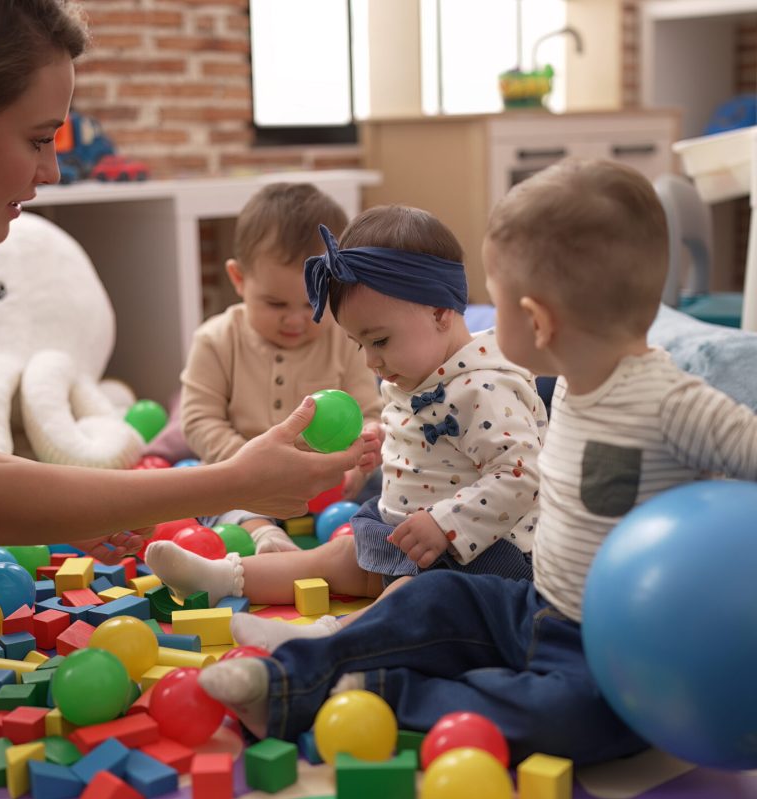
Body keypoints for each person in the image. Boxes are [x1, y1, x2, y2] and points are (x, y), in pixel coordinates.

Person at [194, 158, 757, 767]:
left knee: (575, 721)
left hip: (615, 649)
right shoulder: (571, 382)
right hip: (536, 604)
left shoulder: (674, 403)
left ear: (537, 320)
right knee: (427, 599)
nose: (477, 313)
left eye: (496, 299)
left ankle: (373, 691)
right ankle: (288, 677)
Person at [0, 0, 362, 564]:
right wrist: (236, 482)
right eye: (37, 138)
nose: (50, 171)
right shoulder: (219, 340)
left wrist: (70, 509)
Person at [145, 205, 545, 651]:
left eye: (379, 341)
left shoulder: (486, 387)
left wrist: (446, 523)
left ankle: (323, 640)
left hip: (480, 555)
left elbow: (521, 475)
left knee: (415, 596)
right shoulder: (418, 368)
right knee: (338, 554)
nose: (370, 361)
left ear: (439, 313)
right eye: (359, 344)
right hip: (406, 535)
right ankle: (223, 577)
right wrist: (379, 441)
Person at [180, 182, 383, 553]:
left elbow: (370, 412)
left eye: (312, 304)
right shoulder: (216, 340)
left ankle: (365, 540)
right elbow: (199, 420)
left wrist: (360, 460)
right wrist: (247, 467)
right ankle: (265, 536)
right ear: (239, 280)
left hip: (329, 483)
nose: (295, 320)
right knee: (207, 494)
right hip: (245, 479)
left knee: (390, 483)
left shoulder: (345, 339)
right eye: (275, 304)